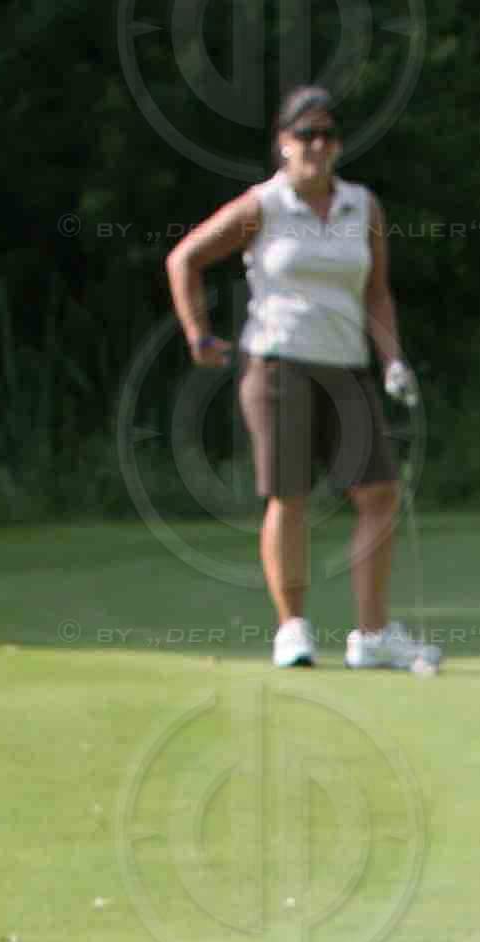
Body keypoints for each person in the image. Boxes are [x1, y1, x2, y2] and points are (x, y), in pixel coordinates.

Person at [164, 85, 437, 672]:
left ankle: (372, 635)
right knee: (290, 495)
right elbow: (184, 259)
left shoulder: (363, 206)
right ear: (283, 144)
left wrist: (392, 359)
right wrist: (197, 335)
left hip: (348, 368)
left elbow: (377, 292)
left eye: (327, 135)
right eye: (305, 135)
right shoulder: (264, 205)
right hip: (278, 365)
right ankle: (292, 629)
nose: (317, 145)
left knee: (379, 493)